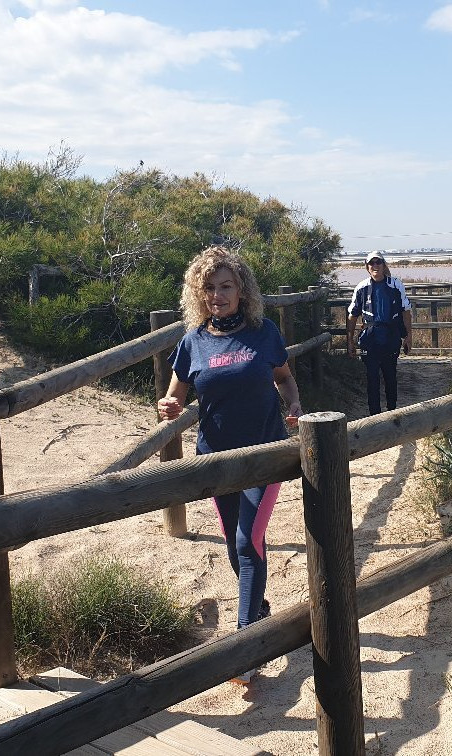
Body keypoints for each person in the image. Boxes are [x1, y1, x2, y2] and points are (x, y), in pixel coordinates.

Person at [156, 245, 301, 684]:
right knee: (238, 547)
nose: (217, 295)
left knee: (246, 540)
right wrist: (169, 406)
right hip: (216, 460)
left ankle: (246, 647)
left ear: (242, 291)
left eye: (226, 286)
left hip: (264, 455)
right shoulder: (192, 343)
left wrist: (293, 402)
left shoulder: (264, 333)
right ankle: (258, 608)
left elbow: (285, 377)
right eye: (209, 288)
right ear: (198, 294)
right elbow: (176, 396)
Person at [346, 252, 413, 416]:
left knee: (390, 376)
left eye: (378, 262)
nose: (375, 266)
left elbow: (406, 311)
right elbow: (352, 315)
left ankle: (391, 412)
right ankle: (374, 416)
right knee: (372, 378)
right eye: (372, 263)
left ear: (384, 265)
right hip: (370, 339)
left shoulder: (396, 285)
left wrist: (409, 336)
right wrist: (350, 341)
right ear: (367, 267)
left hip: (391, 337)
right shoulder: (361, 288)